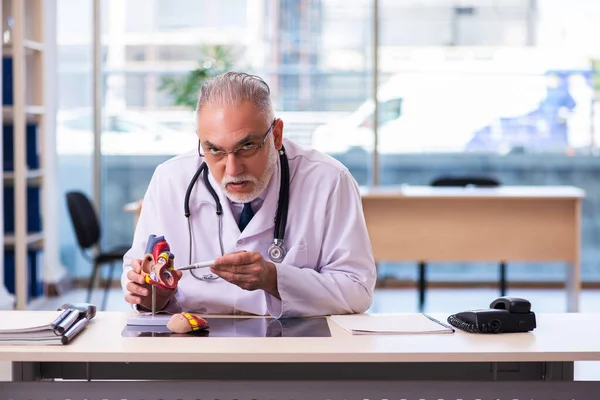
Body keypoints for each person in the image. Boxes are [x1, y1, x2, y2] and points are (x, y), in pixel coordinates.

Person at [121, 71, 376, 318]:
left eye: (247, 147)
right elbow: (136, 275)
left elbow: (357, 289)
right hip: (194, 344)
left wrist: (274, 278)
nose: (232, 169)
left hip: (294, 346)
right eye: (215, 150)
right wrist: (151, 296)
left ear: (276, 135)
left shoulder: (328, 180)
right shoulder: (169, 179)